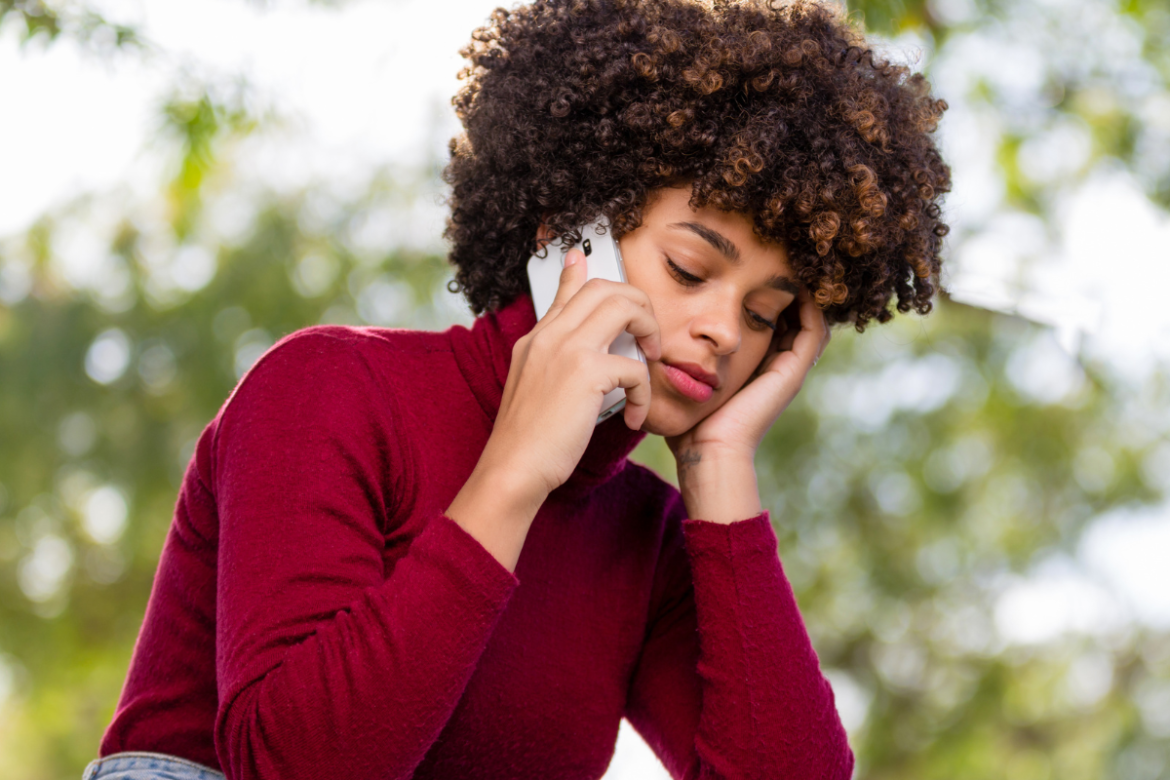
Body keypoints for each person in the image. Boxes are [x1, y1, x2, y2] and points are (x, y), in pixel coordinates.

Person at [86, 0, 950, 778]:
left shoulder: (648, 541)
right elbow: (298, 765)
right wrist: (514, 475)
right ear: (569, 233)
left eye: (766, 314)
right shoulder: (331, 387)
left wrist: (721, 466)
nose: (725, 331)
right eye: (691, 268)